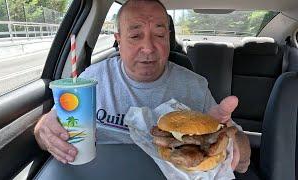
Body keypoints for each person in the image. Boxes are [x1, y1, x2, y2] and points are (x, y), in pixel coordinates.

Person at [34, 0, 250, 173]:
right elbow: (50, 129)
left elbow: (239, 147)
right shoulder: (92, 79)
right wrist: (45, 129)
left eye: (159, 35)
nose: (148, 48)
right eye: (135, 36)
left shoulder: (195, 85)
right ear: (118, 39)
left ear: (168, 38)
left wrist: (234, 147)